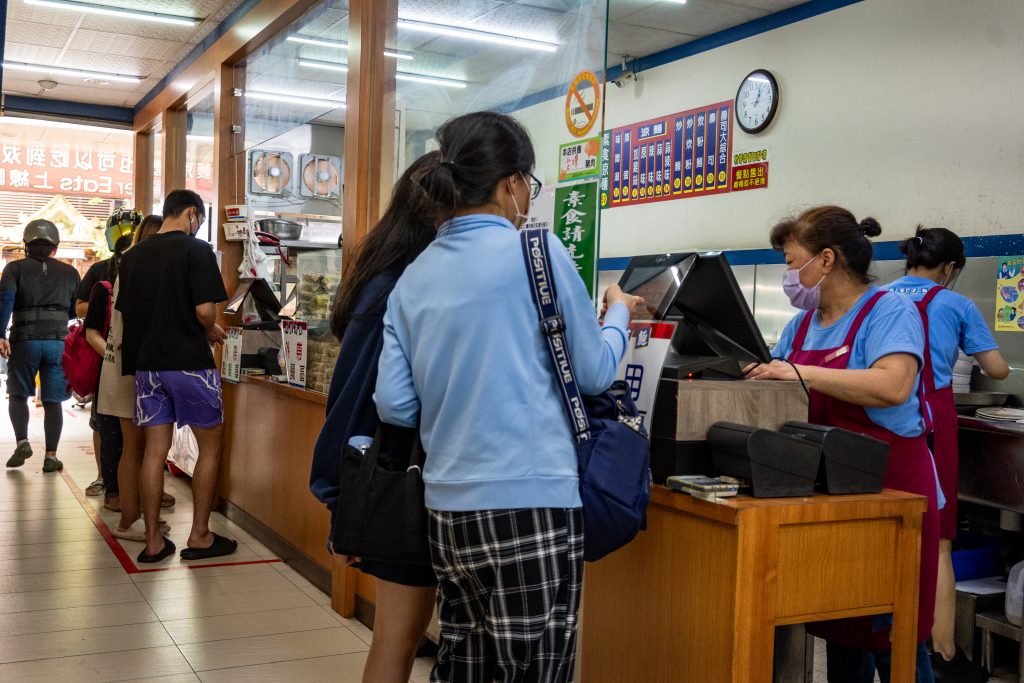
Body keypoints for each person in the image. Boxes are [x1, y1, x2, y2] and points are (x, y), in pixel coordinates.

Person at [374, 111, 644, 682]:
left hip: (446, 508)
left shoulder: (412, 279)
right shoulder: (540, 255)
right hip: (534, 505)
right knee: (534, 671)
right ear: (510, 184)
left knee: (464, 664)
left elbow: (394, 405)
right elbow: (595, 372)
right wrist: (618, 313)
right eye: (529, 183)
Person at [745, 206, 938, 683]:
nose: (790, 276)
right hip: (833, 502)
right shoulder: (801, 326)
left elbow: (893, 385)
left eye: (793, 264)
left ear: (826, 260)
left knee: (896, 641)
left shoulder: (889, 310)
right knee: (842, 631)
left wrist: (799, 371)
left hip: (892, 499)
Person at [310, 154, 441, 683]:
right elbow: (371, 396)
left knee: (398, 638)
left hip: (399, 477)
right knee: (398, 639)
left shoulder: (386, 275)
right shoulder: (402, 285)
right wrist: (337, 493)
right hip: (403, 480)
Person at [886, 226, 1009, 664]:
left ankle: (887, 641)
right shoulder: (955, 304)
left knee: (883, 529)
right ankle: (943, 651)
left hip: (880, 419)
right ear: (951, 267)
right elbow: (996, 369)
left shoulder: (876, 298)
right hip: (930, 421)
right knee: (936, 539)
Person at [116, 190, 236, 563]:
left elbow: (133, 313)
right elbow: (203, 312)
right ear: (191, 214)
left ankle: (153, 542)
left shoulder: (133, 256)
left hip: (147, 367)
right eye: (198, 220)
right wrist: (210, 328)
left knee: (153, 451)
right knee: (211, 445)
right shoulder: (196, 251)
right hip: (189, 365)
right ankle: (199, 535)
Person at [88, 215, 172, 541]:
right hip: (130, 368)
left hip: (123, 365)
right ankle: (130, 520)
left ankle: (138, 517)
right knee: (135, 449)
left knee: (135, 449)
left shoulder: (129, 265)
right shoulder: (140, 268)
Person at [0, 219, 80, 473]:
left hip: (24, 339)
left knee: (19, 393)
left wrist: (0, 334)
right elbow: (73, 310)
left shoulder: (14, 269)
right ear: (54, 246)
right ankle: (51, 456)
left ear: (27, 244)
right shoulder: (70, 273)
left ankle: (22, 441)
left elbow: (6, 301)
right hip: (57, 341)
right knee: (53, 400)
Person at [76, 208, 142, 499]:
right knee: (103, 423)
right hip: (105, 355)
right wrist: (106, 309)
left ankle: (138, 487)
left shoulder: (148, 266)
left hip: (139, 359)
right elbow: (79, 307)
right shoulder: (99, 269)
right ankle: (105, 479)